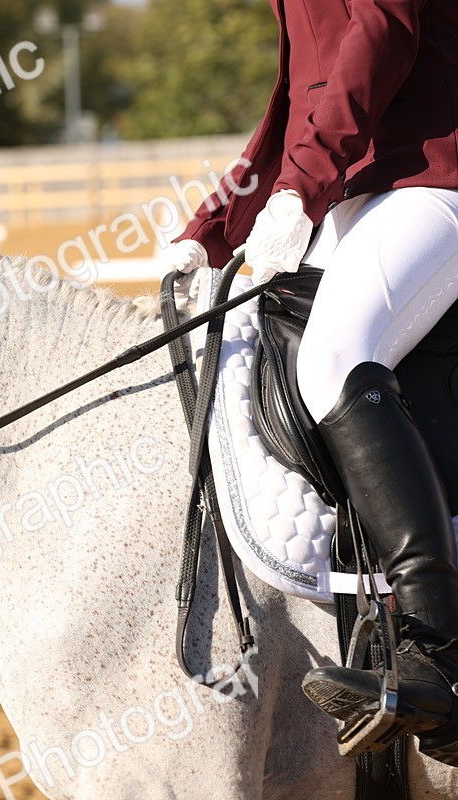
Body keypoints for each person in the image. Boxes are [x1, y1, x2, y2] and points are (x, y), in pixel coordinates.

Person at [165, 0, 458, 765]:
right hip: (356, 190)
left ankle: (440, 647)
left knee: (333, 356)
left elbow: (384, 32)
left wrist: (299, 189)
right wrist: (214, 228)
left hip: (435, 176)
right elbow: (300, 92)